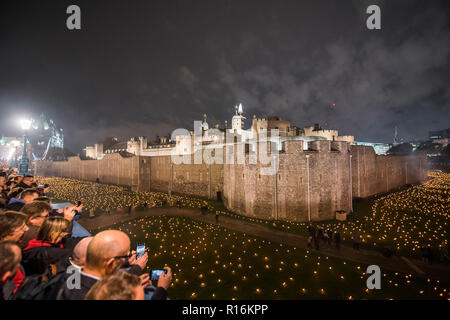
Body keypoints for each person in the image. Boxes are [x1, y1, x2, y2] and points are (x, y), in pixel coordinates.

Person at [59, 230, 171, 300]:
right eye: (126, 256)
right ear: (111, 262)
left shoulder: (70, 272)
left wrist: (128, 280)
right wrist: (161, 288)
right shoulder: (98, 294)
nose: (129, 257)